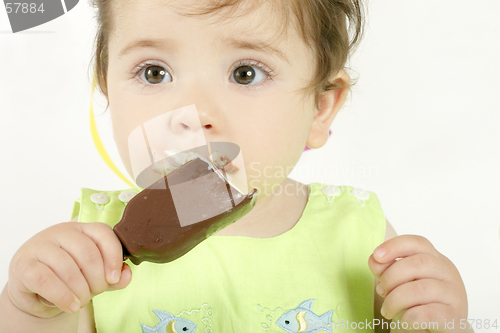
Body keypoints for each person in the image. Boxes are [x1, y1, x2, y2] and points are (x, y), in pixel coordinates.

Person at [0, 0, 473, 332]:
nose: (195, 113)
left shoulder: (361, 237)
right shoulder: (90, 249)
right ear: (107, 89)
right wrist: (34, 310)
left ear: (320, 107)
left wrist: (437, 324)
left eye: (245, 72)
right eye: (154, 72)